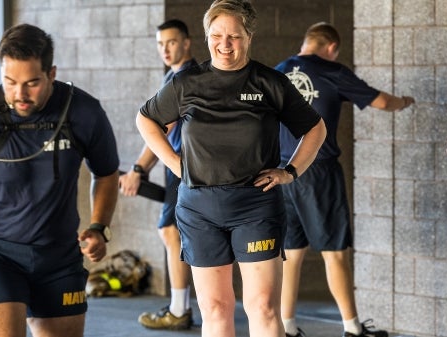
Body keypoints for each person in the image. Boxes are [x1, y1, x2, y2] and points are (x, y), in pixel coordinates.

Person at [136, 1, 326, 336]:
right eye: (216, 35)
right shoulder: (186, 83)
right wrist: (176, 164)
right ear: (207, 36)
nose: (225, 44)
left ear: (249, 36)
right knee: (215, 308)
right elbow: (146, 119)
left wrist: (290, 171)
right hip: (199, 210)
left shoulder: (270, 82)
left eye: (234, 36)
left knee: (264, 306)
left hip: (255, 206)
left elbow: (315, 128)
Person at [0, 23, 119, 337]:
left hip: (58, 255)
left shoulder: (84, 112)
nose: (19, 94)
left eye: (32, 83)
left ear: (51, 74)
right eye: (9, 82)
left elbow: (107, 173)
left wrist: (100, 226)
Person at [275, 22, 415, 337]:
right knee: (335, 252)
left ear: (305, 43)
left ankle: (286, 327)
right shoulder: (333, 71)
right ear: (332, 48)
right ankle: (352, 328)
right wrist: (405, 101)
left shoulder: (278, 71)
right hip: (317, 170)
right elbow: (381, 101)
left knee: (292, 252)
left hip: (282, 173)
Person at [119, 18, 198, 330]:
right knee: (173, 233)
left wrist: (139, 170)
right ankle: (182, 306)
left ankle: (180, 310)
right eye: (160, 44)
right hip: (177, 167)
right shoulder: (173, 75)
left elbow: (162, 129)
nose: (165, 49)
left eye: (172, 42)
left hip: (182, 167)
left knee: (171, 232)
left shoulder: (183, 78)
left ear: (187, 43)